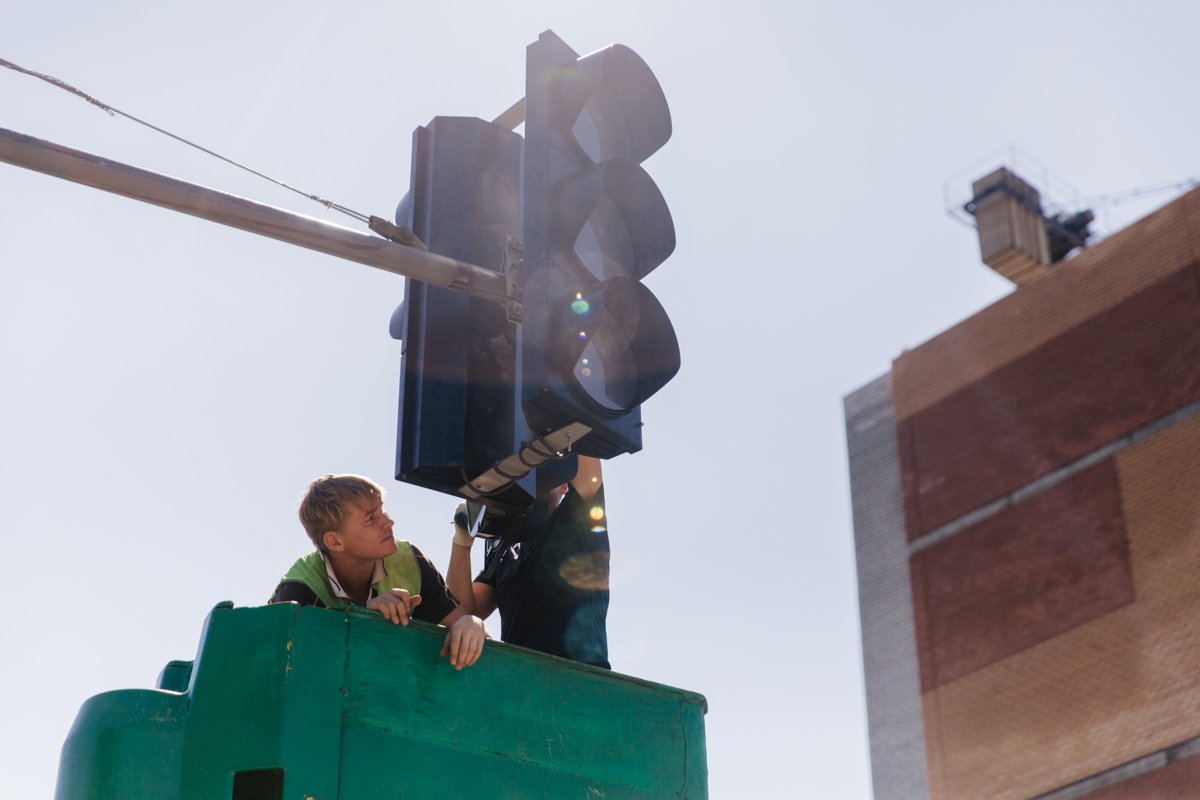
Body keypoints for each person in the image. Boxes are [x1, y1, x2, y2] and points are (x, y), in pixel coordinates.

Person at [270, 473, 486, 670]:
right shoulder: (298, 590)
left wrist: (471, 623)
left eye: (382, 509)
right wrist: (364, 619)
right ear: (334, 541)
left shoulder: (410, 559)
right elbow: (301, 672)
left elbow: (460, 623)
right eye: (371, 518)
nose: (389, 522)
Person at [446, 456, 610, 669]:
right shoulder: (505, 549)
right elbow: (463, 612)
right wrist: (461, 542)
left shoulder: (580, 520)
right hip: (523, 679)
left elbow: (585, 445)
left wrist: (550, 428)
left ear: (564, 485)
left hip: (581, 677)